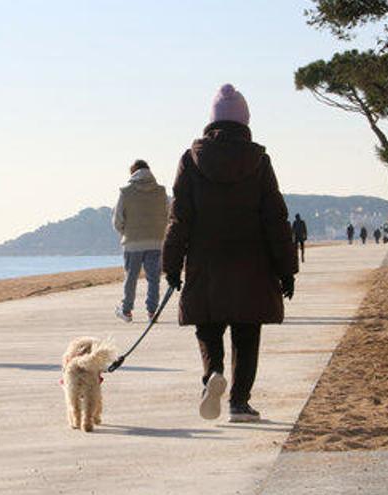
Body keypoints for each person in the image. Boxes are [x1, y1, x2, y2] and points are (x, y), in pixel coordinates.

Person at [162, 84, 298, 423]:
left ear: (211, 121)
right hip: (252, 264)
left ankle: (213, 374)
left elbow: (180, 218)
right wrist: (286, 269)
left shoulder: (191, 161)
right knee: (247, 332)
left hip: (205, 263)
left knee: (208, 327)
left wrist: (171, 265)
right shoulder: (260, 161)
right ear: (245, 121)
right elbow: (275, 218)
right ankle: (239, 403)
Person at [112, 160, 169, 322]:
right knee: (154, 278)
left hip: (133, 242)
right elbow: (168, 214)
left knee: (131, 278)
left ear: (132, 172)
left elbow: (117, 219)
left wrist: (125, 233)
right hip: (156, 241)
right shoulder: (161, 191)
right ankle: (152, 312)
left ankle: (127, 311)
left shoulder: (125, 191)